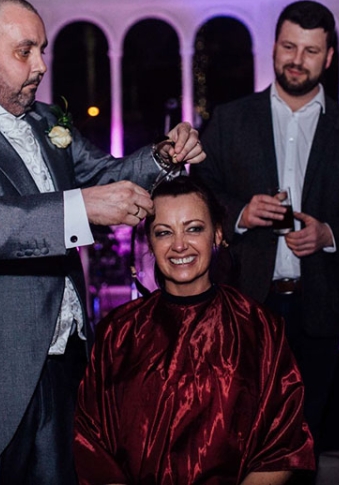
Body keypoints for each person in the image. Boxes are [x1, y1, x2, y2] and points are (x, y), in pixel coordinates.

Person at [0, 0, 204, 485]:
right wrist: (76, 208)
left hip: (64, 362)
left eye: (42, 50)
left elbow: (107, 174)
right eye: (24, 51)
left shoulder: (47, 121)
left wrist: (163, 156)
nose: (39, 65)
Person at [192, 0, 339, 458]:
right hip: (245, 301)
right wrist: (241, 212)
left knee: (305, 435)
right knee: (239, 426)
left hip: (319, 304)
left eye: (309, 50)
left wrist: (329, 233)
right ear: (274, 48)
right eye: (288, 46)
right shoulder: (229, 119)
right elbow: (201, 188)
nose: (296, 60)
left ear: (327, 57)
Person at [74, 175, 316, 484]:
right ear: (150, 242)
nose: (179, 244)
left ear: (217, 235)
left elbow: (282, 443)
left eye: (193, 228)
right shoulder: (118, 333)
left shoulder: (259, 328)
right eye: (164, 232)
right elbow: (94, 445)